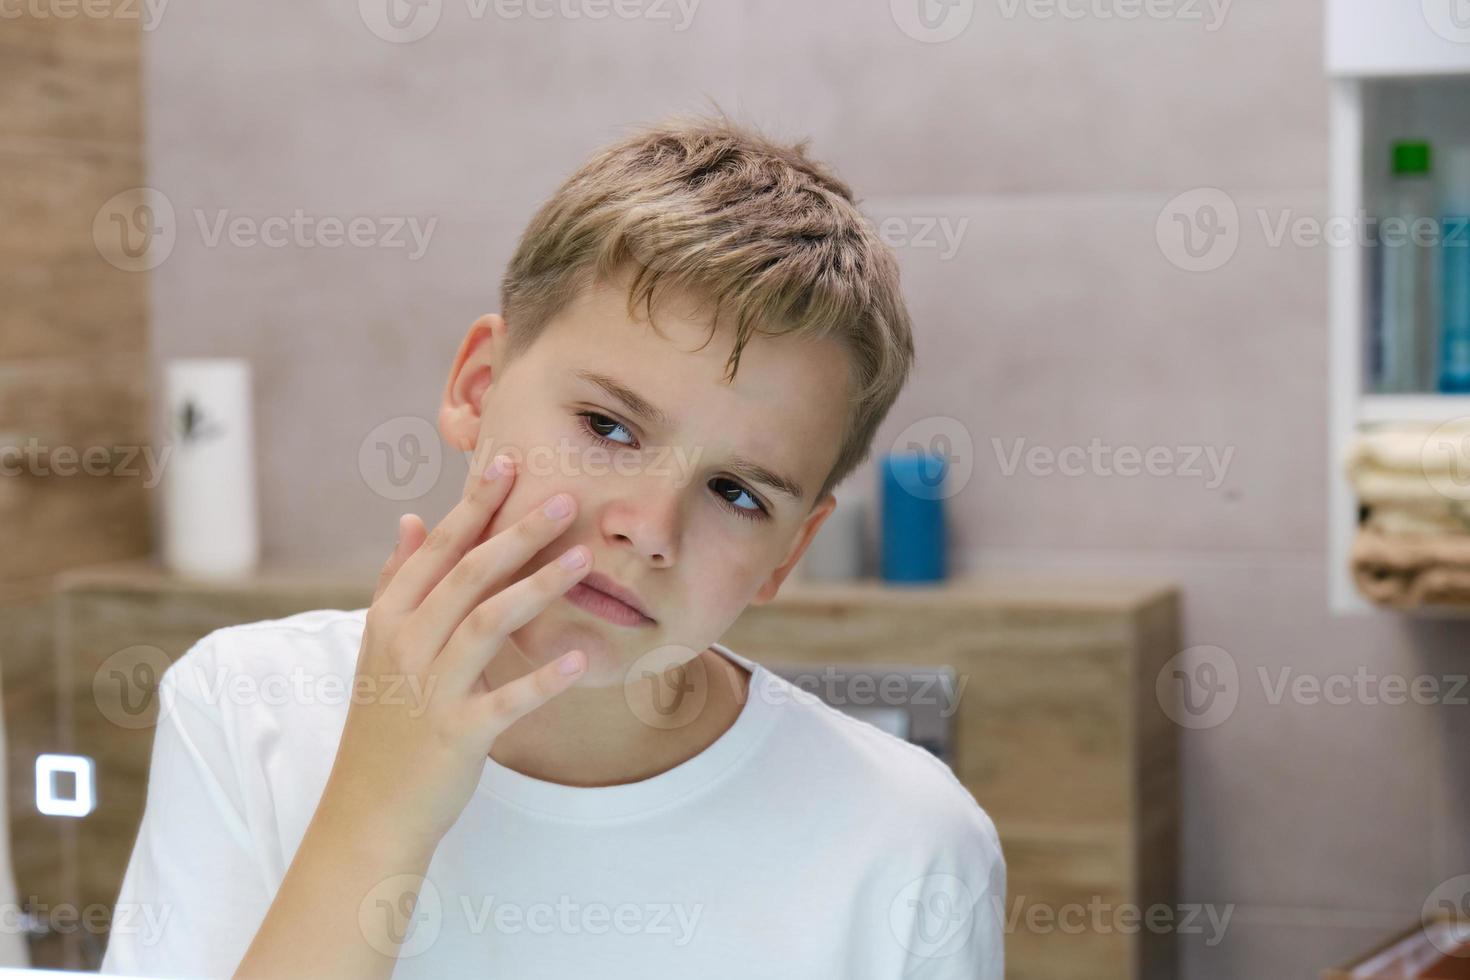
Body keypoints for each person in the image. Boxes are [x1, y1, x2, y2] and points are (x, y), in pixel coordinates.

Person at [100, 110, 1005, 979]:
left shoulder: (909, 843)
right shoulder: (246, 710)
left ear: (789, 553)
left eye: (734, 493)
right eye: (608, 428)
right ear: (478, 385)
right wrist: (378, 809)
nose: (648, 530)